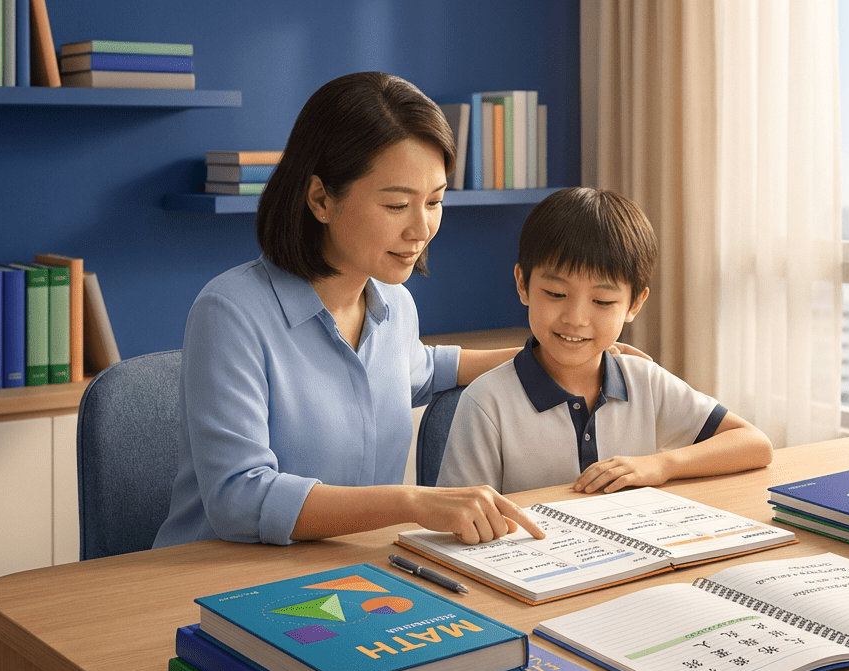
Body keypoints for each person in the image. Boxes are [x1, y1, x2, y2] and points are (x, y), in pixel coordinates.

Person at [154, 72, 584, 549]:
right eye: (398, 204)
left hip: (345, 572)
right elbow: (238, 498)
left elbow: (425, 370)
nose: (421, 228)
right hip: (213, 580)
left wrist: (559, 354)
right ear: (321, 198)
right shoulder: (230, 313)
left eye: (435, 201)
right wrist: (413, 503)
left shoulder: (393, 303)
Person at [436, 187, 774, 495]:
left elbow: (754, 444)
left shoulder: (644, 381)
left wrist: (661, 464)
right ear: (522, 284)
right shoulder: (486, 402)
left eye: (602, 302)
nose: (575, 318)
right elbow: (456, 519)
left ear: (634, 304)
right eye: (556, 293)